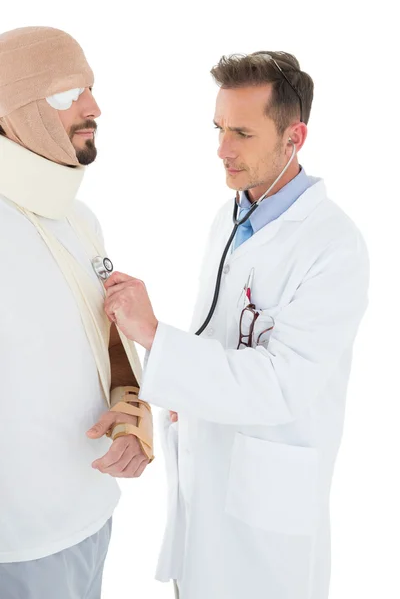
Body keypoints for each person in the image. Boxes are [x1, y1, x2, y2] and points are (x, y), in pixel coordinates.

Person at [104, 51, 369, 599]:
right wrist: (179, 388)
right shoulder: (233, 216)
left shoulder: (334, 246)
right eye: (219, 128)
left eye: (242, 133)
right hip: (205, 488)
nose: (222, 149)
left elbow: (281, 384)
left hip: (268, 519)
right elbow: (222, 341)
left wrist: (154, 335)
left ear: (294, 136)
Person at [0, 26, 153, 599]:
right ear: (15, 111)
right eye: (68, 95)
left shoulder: (81, 219)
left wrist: (131, 414)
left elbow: (106, 343)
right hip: (17, 542)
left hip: (92, 514)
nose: (93, 108)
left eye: (88, 88)